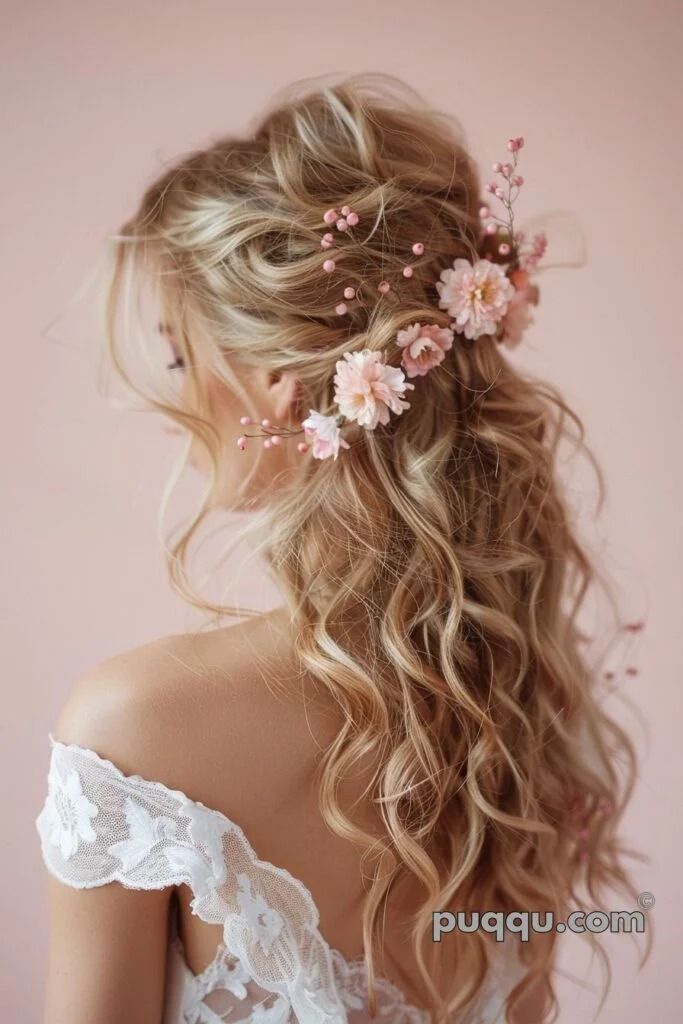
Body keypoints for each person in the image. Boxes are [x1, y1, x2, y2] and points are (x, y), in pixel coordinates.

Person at [35, 73, 641, 1024]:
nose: (175, 408)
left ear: (278, 383)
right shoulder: (518, 704)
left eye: (179, 357)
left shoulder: (138, 730)